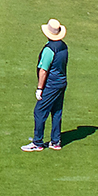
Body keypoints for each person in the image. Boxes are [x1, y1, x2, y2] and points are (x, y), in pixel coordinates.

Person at [22, 18, 68, 151]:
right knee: (57, 111)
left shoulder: (49, 49)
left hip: (51, 85)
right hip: (61, 82)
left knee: (39, 111)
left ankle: (37, 142)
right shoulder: (64, 46)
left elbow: (43, 70)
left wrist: (39, 88)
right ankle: (55, 141)